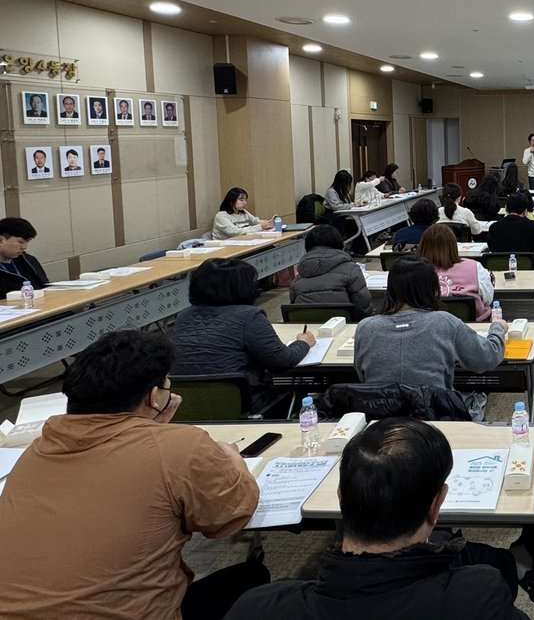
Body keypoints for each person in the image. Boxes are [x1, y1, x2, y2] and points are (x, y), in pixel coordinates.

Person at [0, 329, 264, 619]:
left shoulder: (35, 452)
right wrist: (234, 461)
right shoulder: (181, 447)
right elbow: (227, 518)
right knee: (253, 578)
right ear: (154, 397)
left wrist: (151, 429)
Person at [225, 418, 534, 618]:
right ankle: (522, 563)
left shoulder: (255, 607)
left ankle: (522, 562)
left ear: (340, 497)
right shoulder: (477, 595)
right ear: (436, 506)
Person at [171, 258, 315, 410]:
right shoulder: (249, 316)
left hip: (187, 408)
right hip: (243, 406)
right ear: (242, 288)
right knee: (301, 389)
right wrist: (303, 342)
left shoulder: (184, 316)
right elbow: (282, 361)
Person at [353, 255, 505, 388]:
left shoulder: (366, 328)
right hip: (433, 409)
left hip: (379, 410)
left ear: (390, 288)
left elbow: (362, 375)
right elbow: (488, 357)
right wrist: (497, 327)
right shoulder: (444, 322)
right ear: (433, 288)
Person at [289, 225, 372, 321]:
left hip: (307, 326)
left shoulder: (297, 280)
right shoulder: (352, 269)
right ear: (339, 243)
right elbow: (363, 307)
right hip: (345, 326)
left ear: (307, 246)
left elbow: (294, 311)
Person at [417, 224, 495, 321]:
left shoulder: (412, 272)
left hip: (428, 326)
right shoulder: (475, 267)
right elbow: (488, 299)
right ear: (453, 245)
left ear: (422, 246)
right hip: (473, 325)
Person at [486, 193, 534, 259]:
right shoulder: (533, 226)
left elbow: (492, 249)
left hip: (500, 264)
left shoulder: (494, 227)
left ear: (506, 208)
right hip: (527, 264)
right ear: (525, 211)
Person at [0, 216, 49, 294]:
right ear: (1, 240)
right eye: (21, 242)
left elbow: (45, 286)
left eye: (27, 242)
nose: (25, 247)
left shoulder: (29, 260)